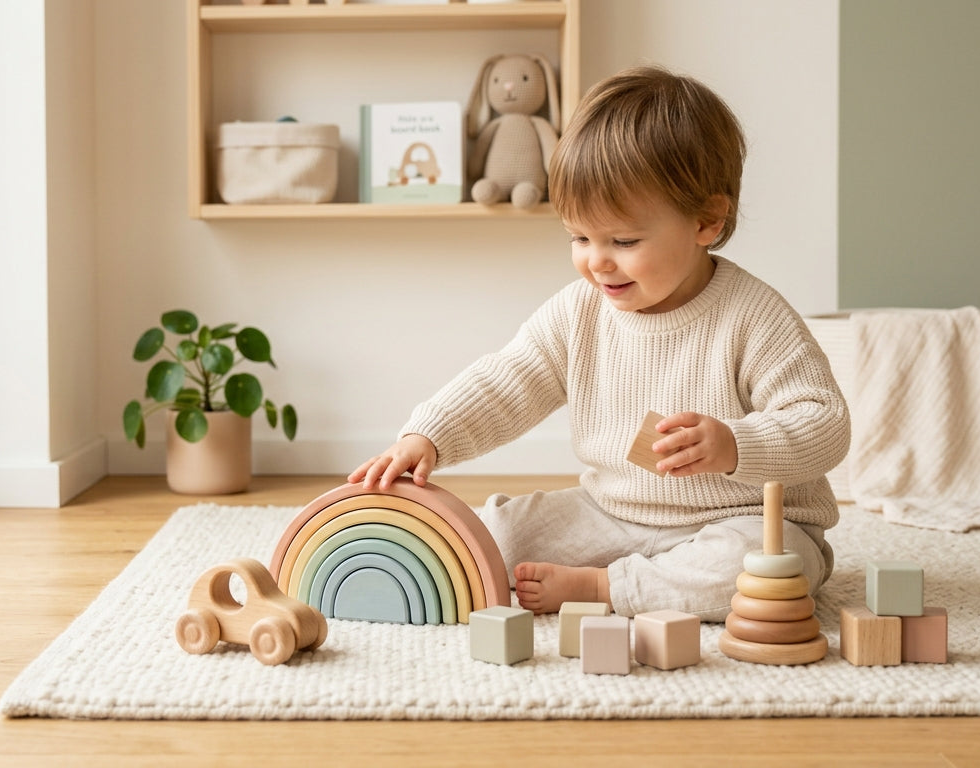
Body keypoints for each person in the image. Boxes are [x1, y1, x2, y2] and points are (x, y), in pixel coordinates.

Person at [348, 66, 850, 621]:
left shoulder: (753, 316)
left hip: (744, 516)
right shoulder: (579, 312)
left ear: (707, 221)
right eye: (579, 237)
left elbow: (823, 420)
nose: (597, 261)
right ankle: (613, 574)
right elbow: (509, 380)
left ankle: (608, 589)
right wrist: (429, 436)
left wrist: (736, 444)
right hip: (612, 512)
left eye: (625, 241)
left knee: (759, 566)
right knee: (493, 538)